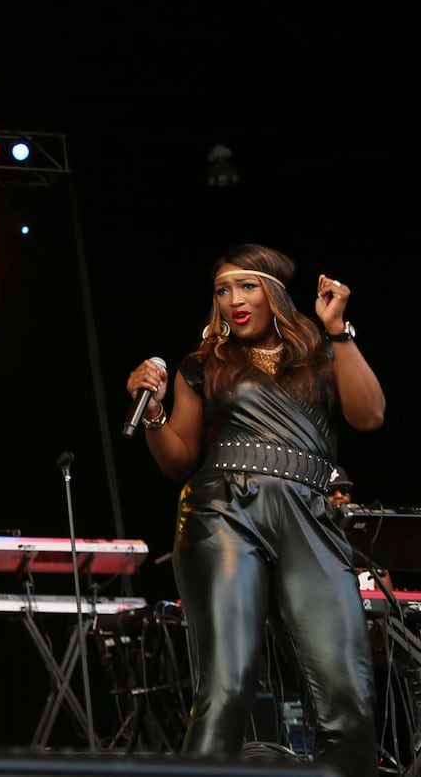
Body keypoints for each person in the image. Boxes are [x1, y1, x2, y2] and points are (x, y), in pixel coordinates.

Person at [126, 243, 383, 777]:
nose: (233, 300)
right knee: (227, 685)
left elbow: (371, 415)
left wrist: (337, 329)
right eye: (222, 290)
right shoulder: (203, 364)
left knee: (349, 699)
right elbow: (178, 461)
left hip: (311, 519)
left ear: (276, 294)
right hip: (223, 513)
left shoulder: (321, 355)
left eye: (246, 286)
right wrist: (153, 415)